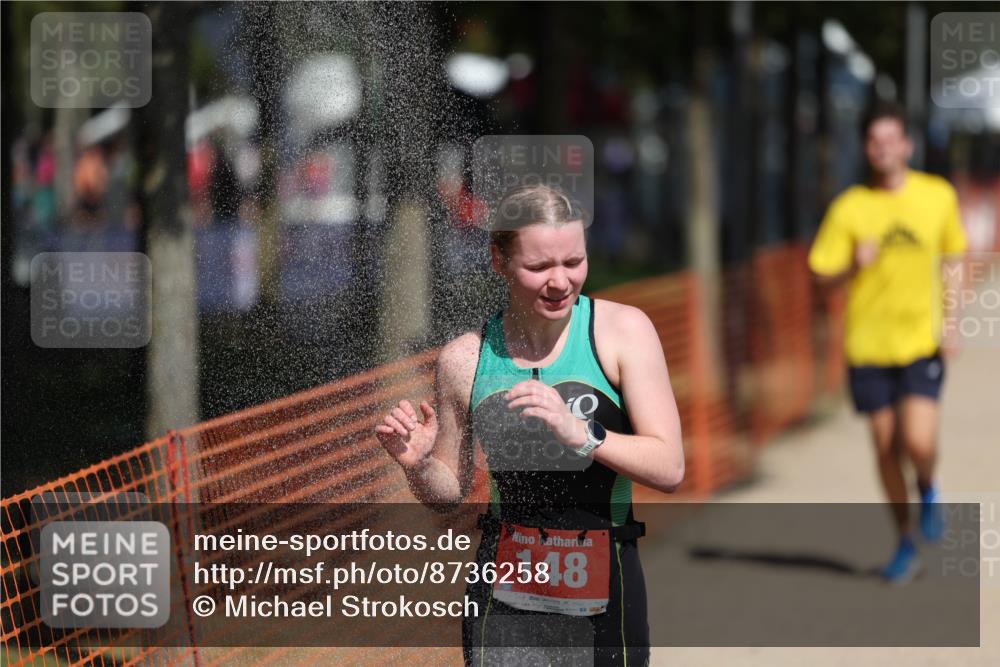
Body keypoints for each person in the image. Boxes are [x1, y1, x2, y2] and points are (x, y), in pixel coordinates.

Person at [375, 184, 685, 665]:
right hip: (504, 596)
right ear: (499, 261)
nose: (560, 281)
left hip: (606, 590)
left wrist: (582, 434)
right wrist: (417, 465)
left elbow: (669, 467)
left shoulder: (624, 332)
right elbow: (449, 492)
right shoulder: (465, 359)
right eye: (539, 267)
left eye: (574, 261)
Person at [808, 102, 967, 584]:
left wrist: (953, 323)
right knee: (884, 449)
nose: (883, 149)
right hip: (869, 346)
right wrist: (852, 265)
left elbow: (953, 260)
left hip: (921, 340)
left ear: (907, 145)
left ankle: (929, 486)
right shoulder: (850, 207)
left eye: (891, 139)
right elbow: (820, 278)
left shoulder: (937, 195)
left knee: (917, 439)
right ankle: (904, 542)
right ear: (866, 148)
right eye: (875, 141)